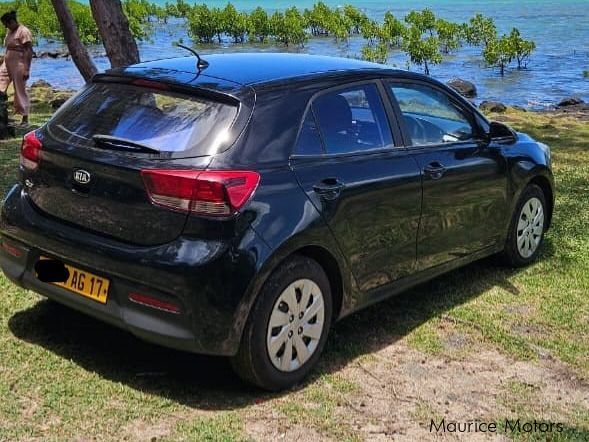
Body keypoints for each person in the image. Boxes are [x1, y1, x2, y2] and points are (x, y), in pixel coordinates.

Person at [0, 11, 33, 126]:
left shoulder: (23, 31)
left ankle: (25, 119)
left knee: (20, 90)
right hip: (7, 62)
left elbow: (29, 50)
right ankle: (3, 113)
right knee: (0, 83)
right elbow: (8, 48)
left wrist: (26, 69)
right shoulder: (10, 31)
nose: (6, 27)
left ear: (12, 21)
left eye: (7, 24)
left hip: (19, 63)